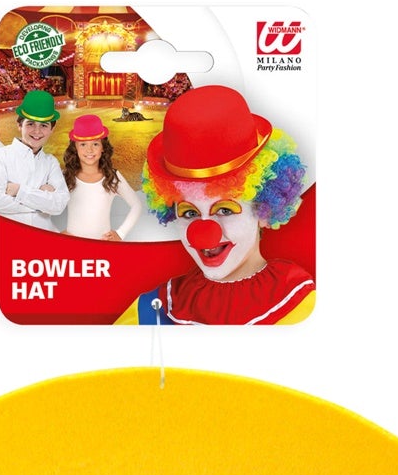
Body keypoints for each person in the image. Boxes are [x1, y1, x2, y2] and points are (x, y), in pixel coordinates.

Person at [115, 85, 314, 325]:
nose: (203, 233)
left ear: (264, 208)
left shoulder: (303, 308)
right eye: (189, 212)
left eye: (225, 210)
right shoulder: (152, 310)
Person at [61, 115, 142, 242]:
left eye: (95, 144)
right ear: (75, 148)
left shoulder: (112, 176)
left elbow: (136, 205)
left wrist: (121, 233)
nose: (89, 150)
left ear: (103, 147)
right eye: (83, 144)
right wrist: (56, 233)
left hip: (103, 246)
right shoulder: (65, 176)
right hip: (73, 246)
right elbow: (42, 206)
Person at [0, 90, 69, 231]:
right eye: (30, 124)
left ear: (52, 129)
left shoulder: (51, 163)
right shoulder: (0, 156)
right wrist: (42, 203)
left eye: (44, 125)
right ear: (19, 125)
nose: (37, 131)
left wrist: (19, 191)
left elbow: (59, 205)